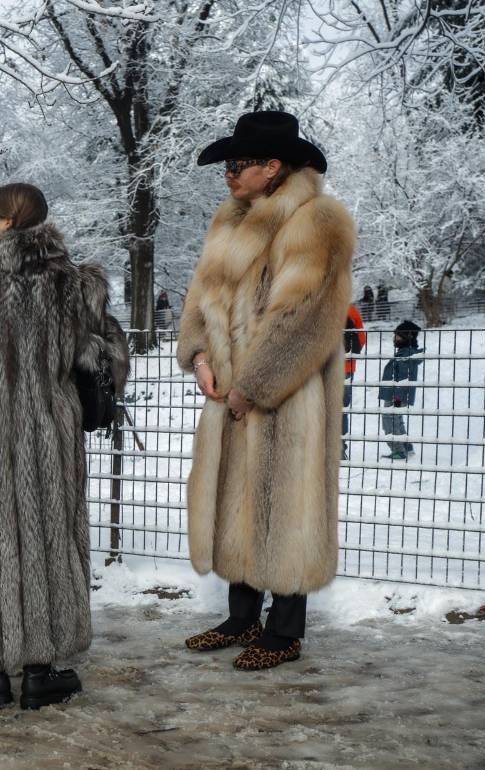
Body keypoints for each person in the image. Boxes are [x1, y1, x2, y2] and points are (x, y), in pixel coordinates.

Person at [0, 182, 129, 710]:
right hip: (49, 435)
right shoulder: (78, 285)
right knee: (49, 535)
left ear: (11, 221)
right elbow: (109, 362)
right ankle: (42, 669)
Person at [176, 111, 355, 670]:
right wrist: (200, 356)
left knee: (284, 502)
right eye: (227, 165)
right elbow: (202, 297)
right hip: (227, 395)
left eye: (237, 164)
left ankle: (284, 631)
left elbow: (303, 319)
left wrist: (253, 387)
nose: (228, 174)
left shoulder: (315, 220)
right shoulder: (229, 221)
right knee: (235, 500)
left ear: (273, 167)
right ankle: (240, 617)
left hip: (286, 396)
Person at [379, 320, 424, 460]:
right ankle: (406, 447)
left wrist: (397, 399)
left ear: (407, 338)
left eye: (397, 336)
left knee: (389, 419)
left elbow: (403, 380)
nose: (394, 339)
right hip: (397, 395)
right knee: (396, 419)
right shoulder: (405, 353)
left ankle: (398, 450)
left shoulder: (405, 355)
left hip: (396, 395)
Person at [342, 303, 367, 459]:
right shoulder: (351, 310)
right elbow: (361, 339)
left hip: (324, 367)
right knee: (341, 409)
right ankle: (339, 448)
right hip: (347, 366)